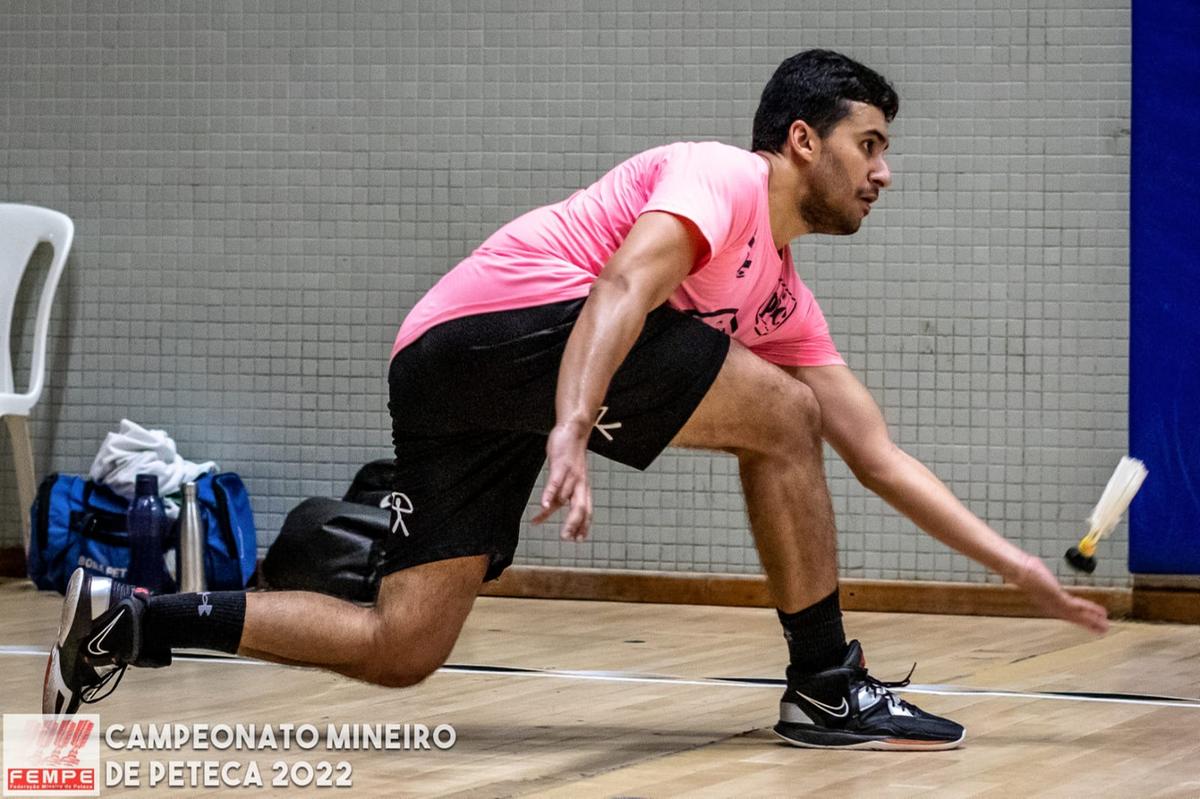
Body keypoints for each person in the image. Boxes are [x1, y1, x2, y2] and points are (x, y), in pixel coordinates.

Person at [45, 49, 1109, 751]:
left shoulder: (777, 290)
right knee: (781, 413)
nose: (884, 173)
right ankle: (826, 681)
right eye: (869, 145)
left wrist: (1012, 565)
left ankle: (131, 622)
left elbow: (876, 453)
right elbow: (621, 287)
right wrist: (569, 424)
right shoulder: (720, 179)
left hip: (453, 372)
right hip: (497, 334)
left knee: (402, 645)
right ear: (800, 140)